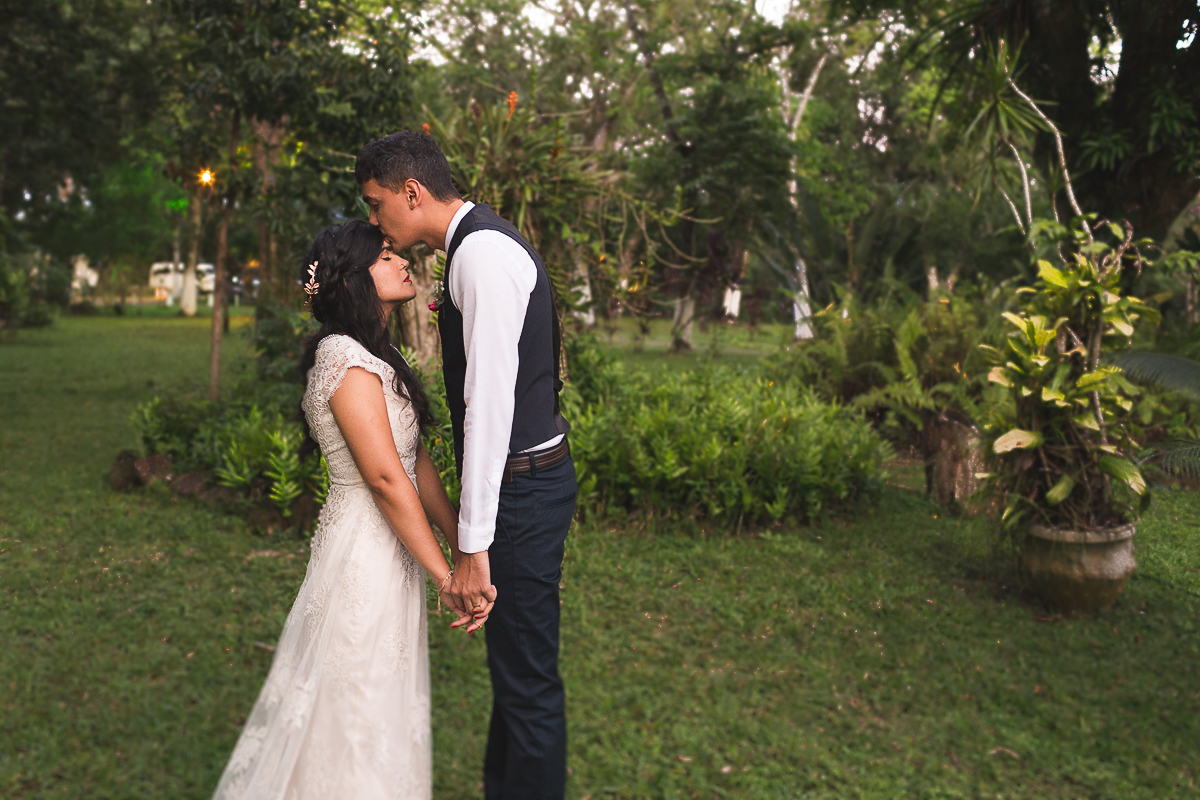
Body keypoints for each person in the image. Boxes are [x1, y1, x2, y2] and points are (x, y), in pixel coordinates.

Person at [212, 220, 484, 799]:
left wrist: (462, 546)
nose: (402, 260)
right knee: (355, 703)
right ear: (356, 278)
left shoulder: (375, 355)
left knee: (380, 700)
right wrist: (446, 576)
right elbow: (385, 479)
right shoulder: (342, 357)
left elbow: (414, 462)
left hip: (394, 548)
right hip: (365, 550)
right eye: (386, 255)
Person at [356, 130, 577, 799]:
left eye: (376, 203)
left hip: (522, 488)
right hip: (527, 481)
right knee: (516, 671)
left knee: (527, 680)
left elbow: (489, 410)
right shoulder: (476, 245)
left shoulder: (480, 256)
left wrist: (473, 546)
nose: (374, 221)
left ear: (412, 192)